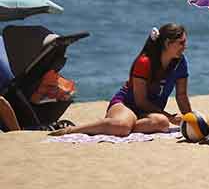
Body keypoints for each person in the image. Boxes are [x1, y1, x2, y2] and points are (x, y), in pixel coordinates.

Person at [50, 23, 192, 137]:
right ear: (168, 43)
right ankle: (72, 130)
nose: (185, 46)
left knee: (161, 122)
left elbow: (181, 96)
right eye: (181, 43)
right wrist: (171, 117)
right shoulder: (145, 62)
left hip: (148, 112)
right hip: (126, 104)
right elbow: (140, 101)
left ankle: (123, 124)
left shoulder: (180, 63)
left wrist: (191, 120)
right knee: (123, 127)